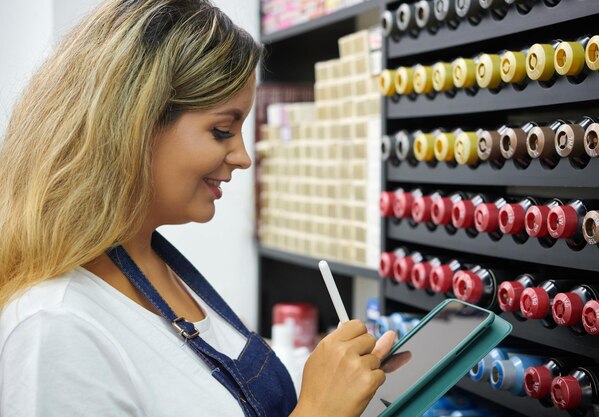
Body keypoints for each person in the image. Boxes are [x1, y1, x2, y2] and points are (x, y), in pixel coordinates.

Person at [0, 1, 396, 416]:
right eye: (221, 130)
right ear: (134, 124)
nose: (242, 157)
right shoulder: (55, 326)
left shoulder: (156, 265)